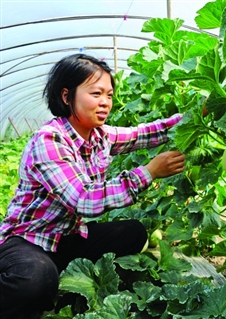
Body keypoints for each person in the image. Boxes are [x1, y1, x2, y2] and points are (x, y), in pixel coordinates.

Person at [0, 53, 185, 318]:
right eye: (96, 93)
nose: (105, 103)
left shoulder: (100, 136)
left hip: (66, 237)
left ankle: (59, 274)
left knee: (133, 232)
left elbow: (145, 133)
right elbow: (83, 199)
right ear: (66, 96)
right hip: (28, 240)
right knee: (35, 280)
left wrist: (194, 116)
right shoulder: (50, 141)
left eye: (109, 95)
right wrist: (149, 172)